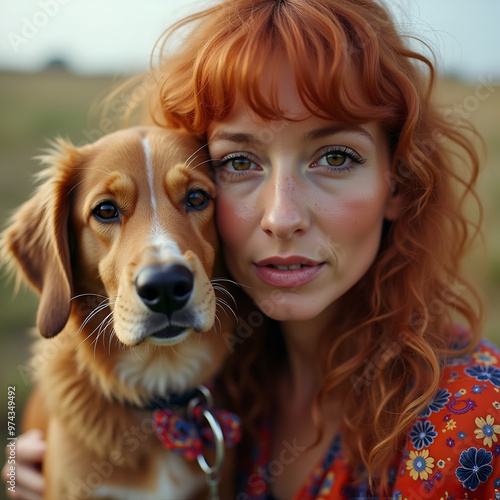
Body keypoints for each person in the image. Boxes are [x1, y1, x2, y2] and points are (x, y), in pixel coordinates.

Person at [4, 0, 500, 498]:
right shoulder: (228, 363)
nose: (282, 218)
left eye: (335, 156)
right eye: (239, 162)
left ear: (398, 183)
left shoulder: (472, 433)